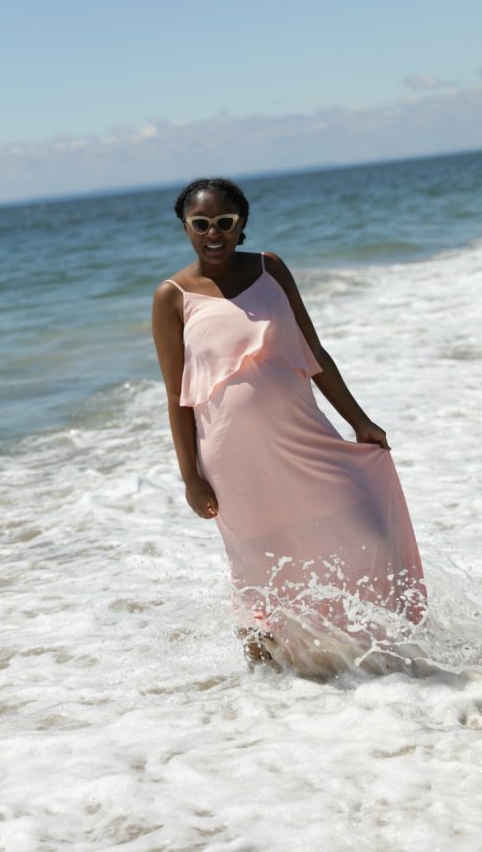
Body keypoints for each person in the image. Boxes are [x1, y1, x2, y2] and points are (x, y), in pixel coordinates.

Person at [152, 177, 426, 676]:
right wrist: (189, 476)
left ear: (241, 225)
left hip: (305, 438)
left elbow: (315, 352)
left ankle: (384, 654)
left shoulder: (269, 269)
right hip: (231, 459)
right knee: (257, 568)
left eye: (225, 222)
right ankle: (268, 688)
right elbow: (176, 396)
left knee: (371, 537)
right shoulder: (171, 298)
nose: (213, 233)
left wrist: (359, 420)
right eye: (201, 224)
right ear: (185, 227)